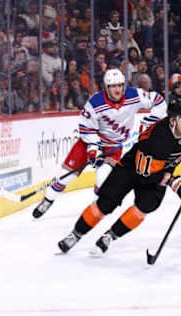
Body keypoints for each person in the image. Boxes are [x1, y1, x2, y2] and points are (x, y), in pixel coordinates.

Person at [57, 98, 181, 254]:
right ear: (172, 120)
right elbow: (146, 172)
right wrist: (179, 185)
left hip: (159, 170)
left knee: (146, 205)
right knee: (105, 204)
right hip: (132, 169)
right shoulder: (157, 137)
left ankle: (109, 237)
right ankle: (76, 234)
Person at [32, 69, 167, 219]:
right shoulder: (95, 102)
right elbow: (86, 128)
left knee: (103, 180)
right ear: (106, 87)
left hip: (113, 146)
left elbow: (159, 101)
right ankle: (48, 199)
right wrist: (93, 149)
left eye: (120, 85)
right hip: (89, 142)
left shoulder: (134, 95)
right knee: (65, 176)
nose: (117, 89)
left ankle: (99, 204)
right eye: (113, 86)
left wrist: (151, 120)